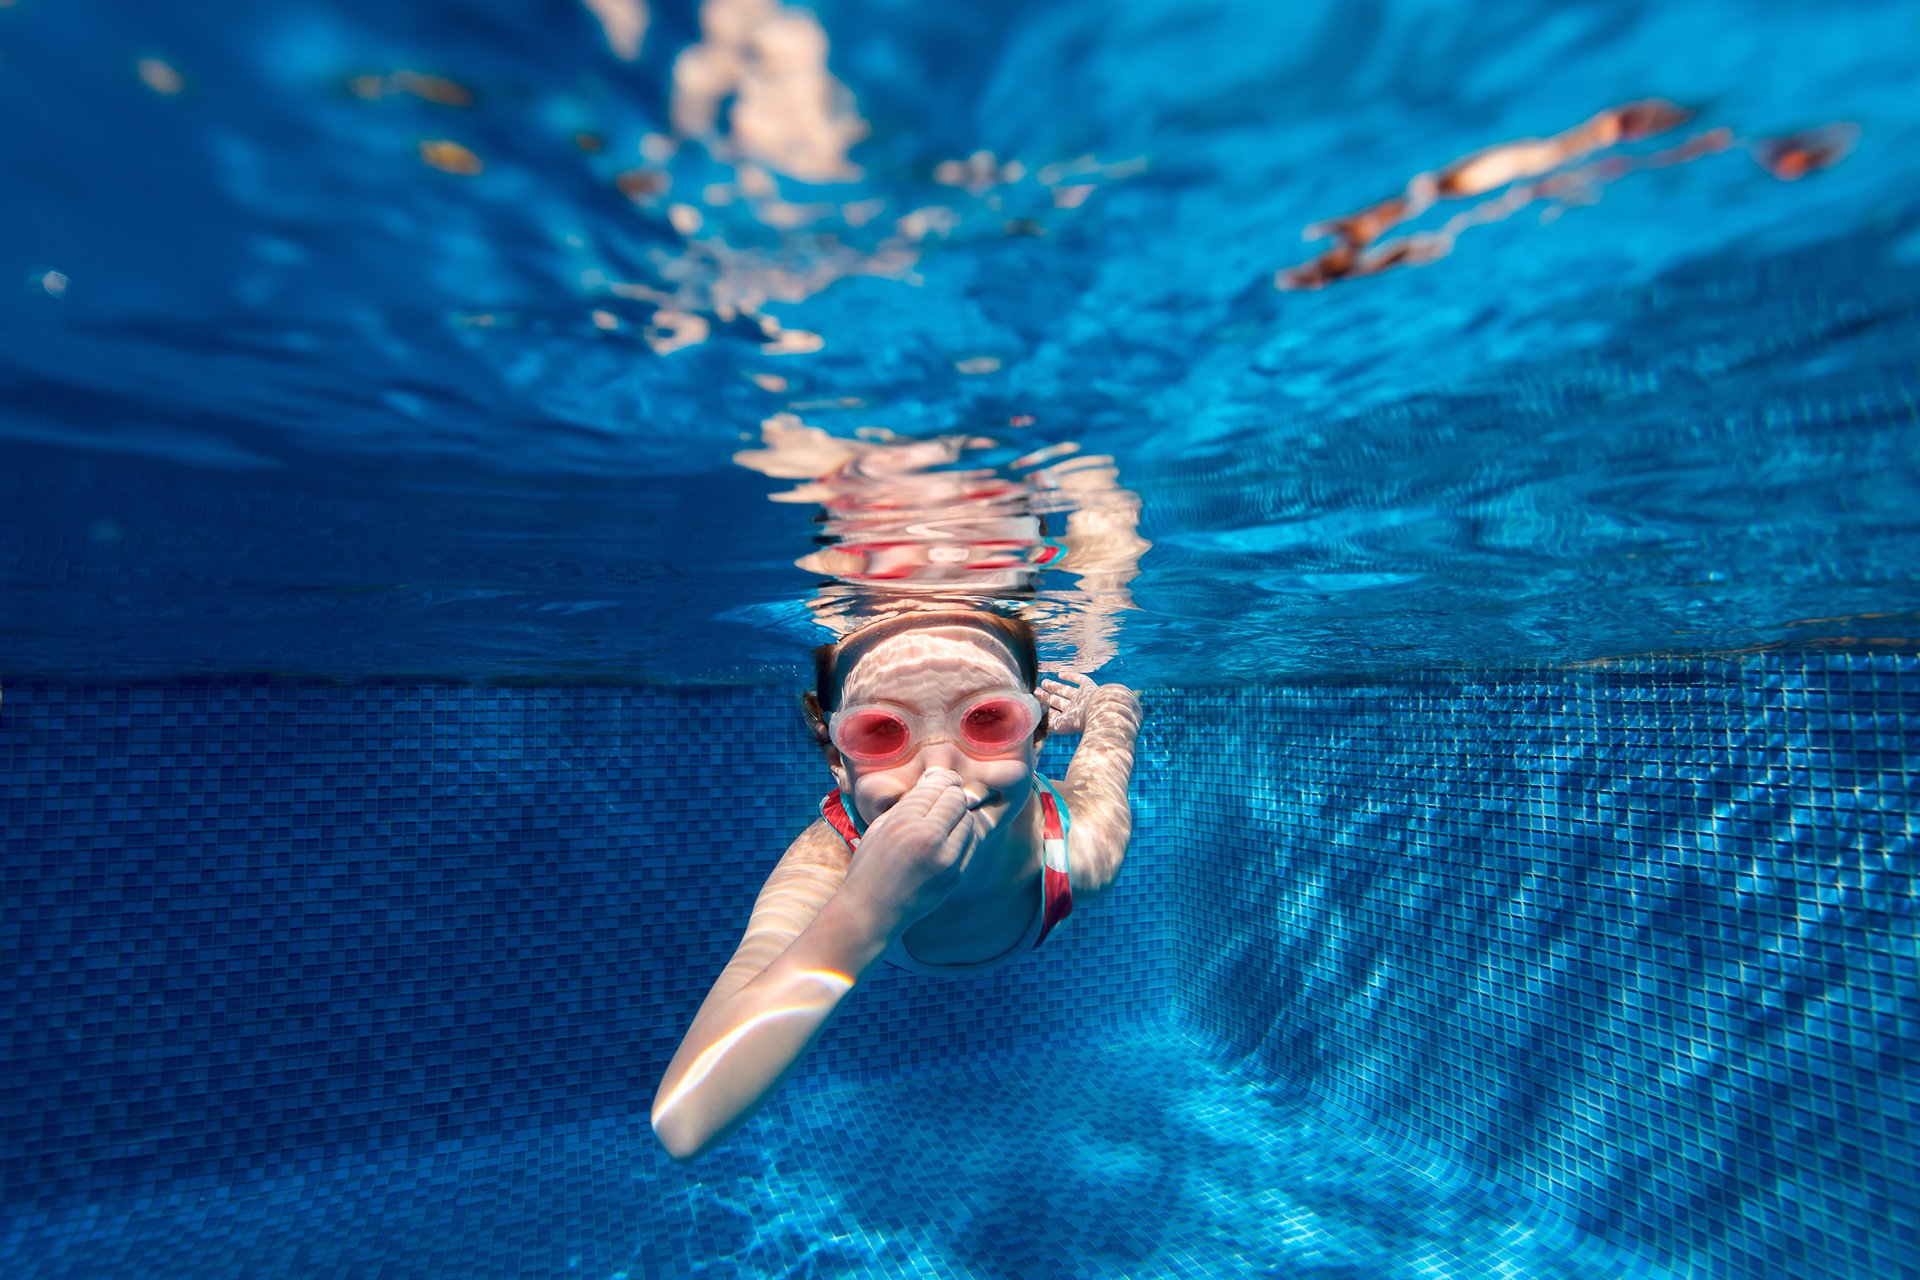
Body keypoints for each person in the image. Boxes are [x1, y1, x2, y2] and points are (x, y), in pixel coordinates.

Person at [649, 609, 1144, 1163]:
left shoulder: (1080, 851)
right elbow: (684, 1120)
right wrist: (867, 907)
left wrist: (1108, 707)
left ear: (1036, 736)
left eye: (989, 720)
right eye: (882, 731)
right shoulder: (829, 867)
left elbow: (1103, 759)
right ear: (838, 761)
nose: (941, 771)